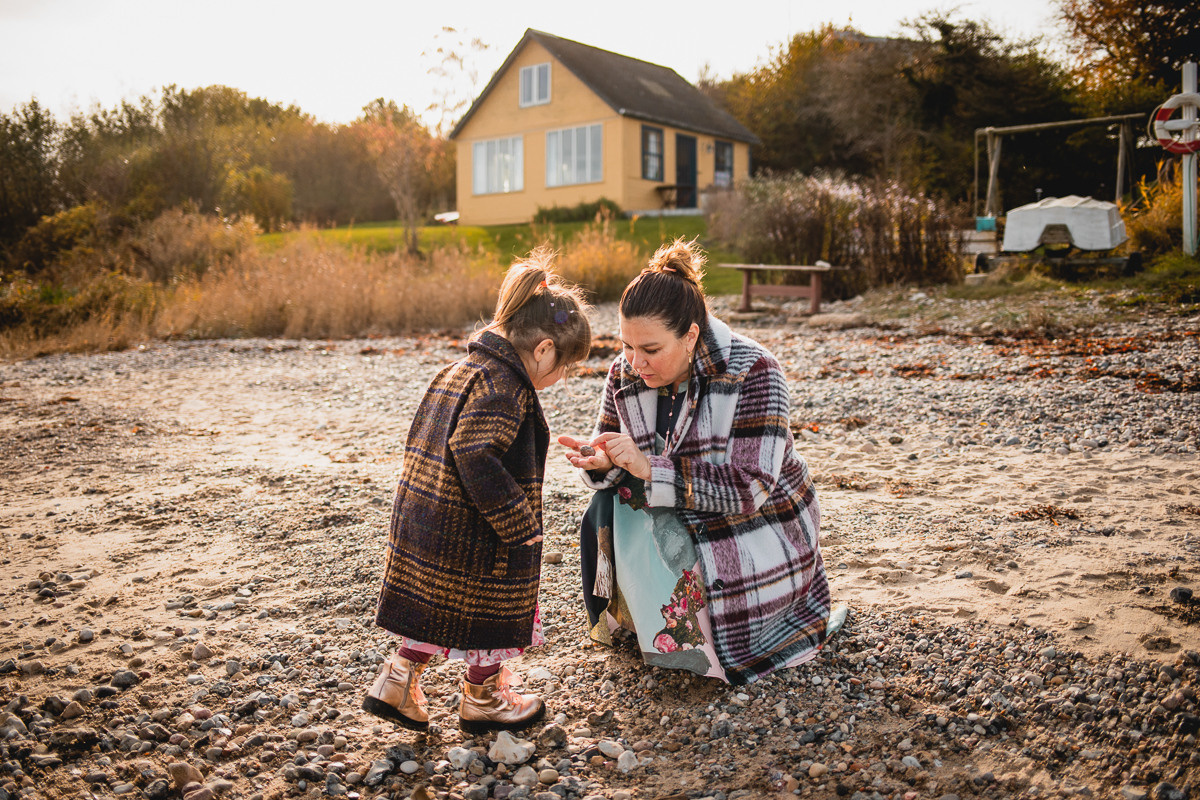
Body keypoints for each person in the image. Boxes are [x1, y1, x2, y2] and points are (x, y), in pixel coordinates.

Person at [559, 238, 838, 685]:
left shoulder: (755, 370)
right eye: (627, 345)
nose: (635, 361)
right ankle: (652, 626)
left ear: (690, 335)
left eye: (650, 349)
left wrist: (651, 468)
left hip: (756, 524)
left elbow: (750, 490)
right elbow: (614, 451)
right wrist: (600, 461)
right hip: (674, 512)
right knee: (604, 507)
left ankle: (698, 636)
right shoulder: (624, 371)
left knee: (657, 511)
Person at [365, 249, 592, 733]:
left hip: (430, 521)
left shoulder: (460, 370)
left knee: (437, 609)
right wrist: (519, 522)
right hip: (476, 533)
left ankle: (397, 680)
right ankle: (485, 698)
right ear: (545, 350)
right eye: (564, 367)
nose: (560, 379)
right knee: (488, 612)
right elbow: (473, 451)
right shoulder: (505, 386)